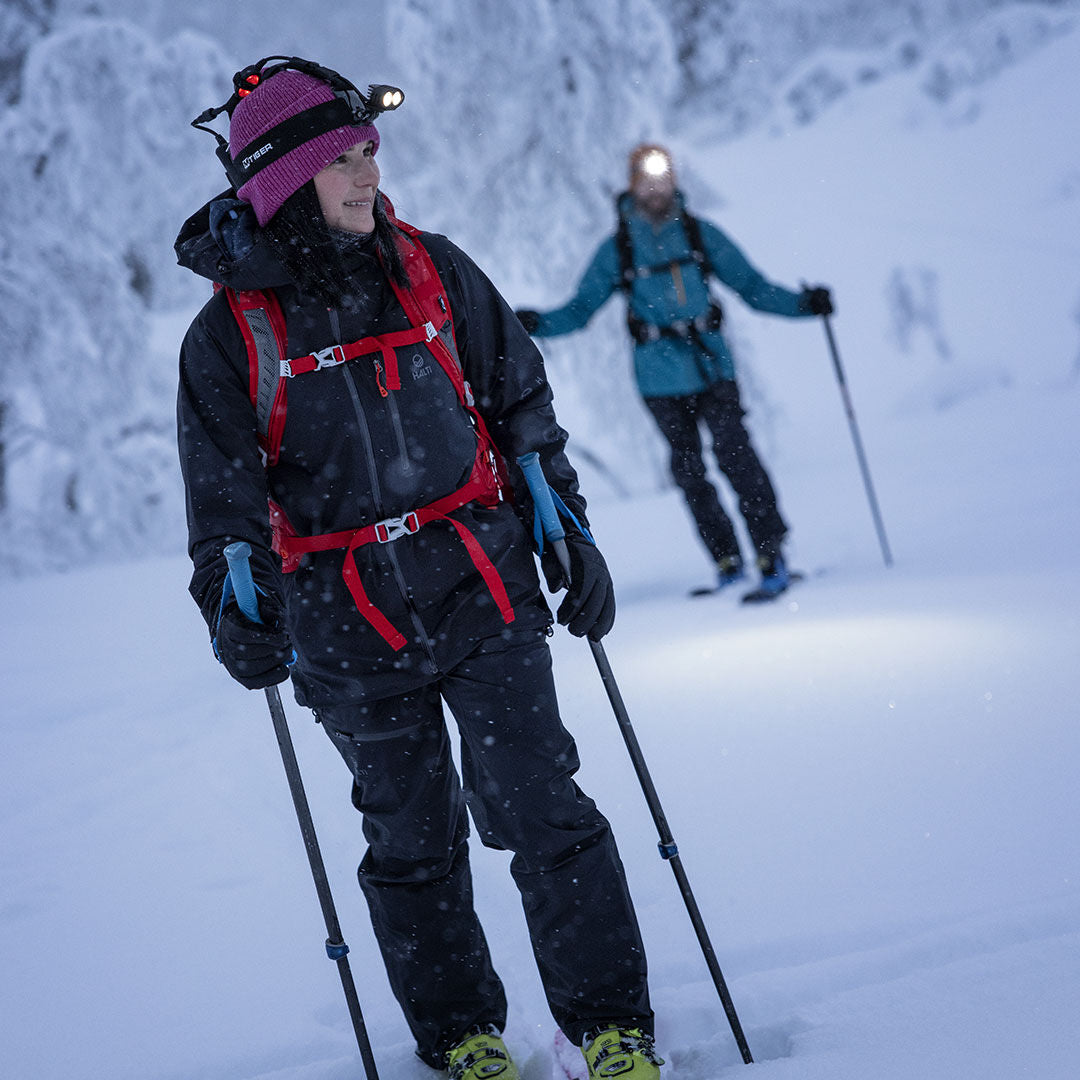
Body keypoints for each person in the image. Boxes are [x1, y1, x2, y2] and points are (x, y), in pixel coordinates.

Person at [175, 58, 664, 1080]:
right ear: (284, 176)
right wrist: (236, 603)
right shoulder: (229, 335)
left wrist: (563, 528)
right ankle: (464, 1039)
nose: (368, 173)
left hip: (480, 583)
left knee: (544, 807)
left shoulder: (431, 268)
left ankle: (613, 1029)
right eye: (345, 157)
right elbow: (223, 506)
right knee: (410, 840)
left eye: (369, 152)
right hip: (342, 621)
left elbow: (518, 408)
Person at [516, 144, 833, 598]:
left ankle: (771, 553)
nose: (656, 188)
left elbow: (753, 288)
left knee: (736, 456)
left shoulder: (701, 236)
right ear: (632, 186)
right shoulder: (619, 250)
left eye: (662, 178)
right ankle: (725, 559)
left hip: (712, 368)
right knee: (688, 470)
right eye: (646, 180)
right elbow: (582, 309)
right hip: (657, 378)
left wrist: (806, 306)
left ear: (673, 181)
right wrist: (538, 323)